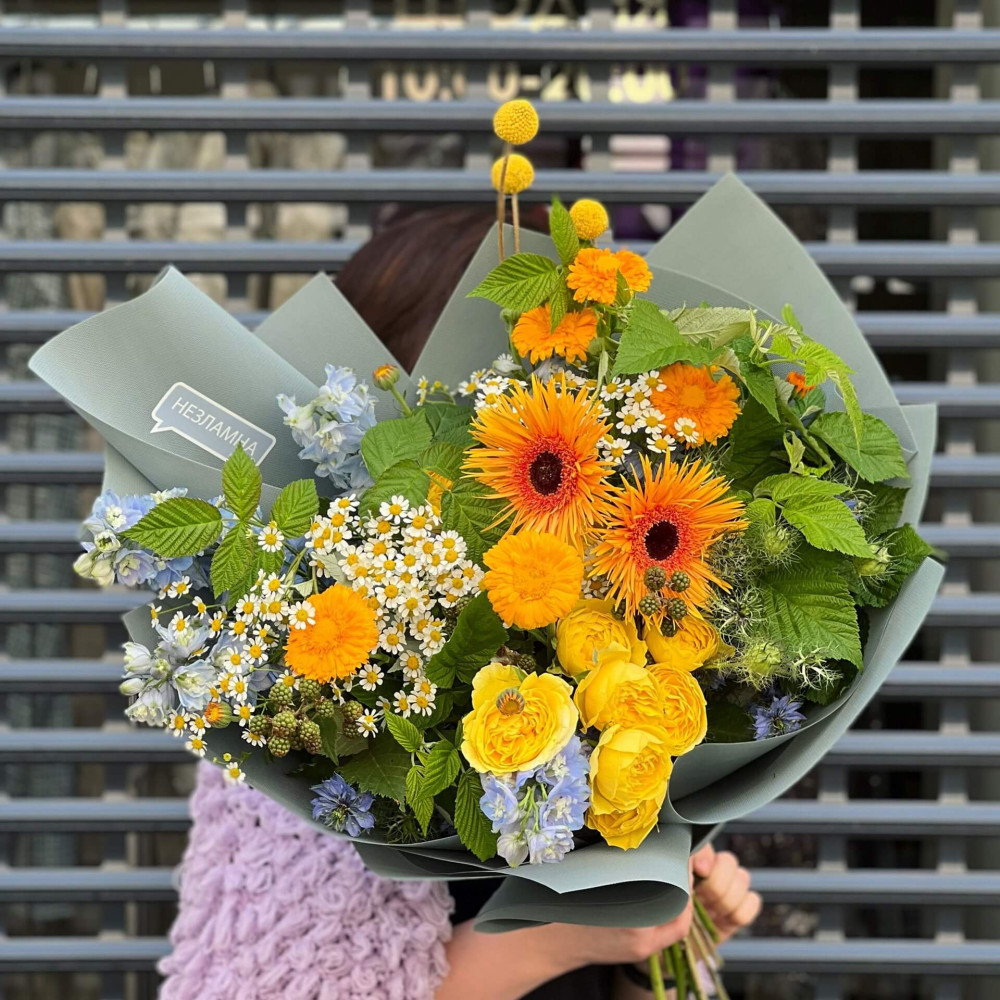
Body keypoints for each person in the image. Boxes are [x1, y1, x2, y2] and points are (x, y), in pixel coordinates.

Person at [157, 209, 761, 1000]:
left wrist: (661, 932)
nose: (546, 396)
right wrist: (558, 941)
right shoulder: (308, 684)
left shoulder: (602, 622)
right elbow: (263, 986)